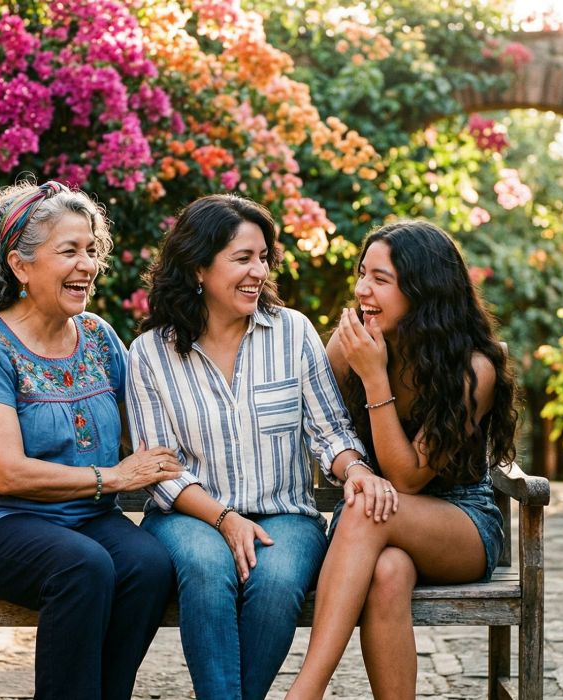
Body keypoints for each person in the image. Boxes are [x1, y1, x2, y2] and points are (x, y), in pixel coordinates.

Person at [126, 194, 395, 700]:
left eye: (263, 258)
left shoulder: (291, 332)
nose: (258, 271)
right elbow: (161, 467)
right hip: (191, 516)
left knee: (274, 583)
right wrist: (226, 519)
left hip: (286, 516)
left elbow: (329, 430)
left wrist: (354, 468)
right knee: (207, 570)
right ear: (199, 267)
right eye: (242, 258)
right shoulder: (149, 353)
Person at [0, 180, 182, 700]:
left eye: (91, 249)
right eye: (68, 250)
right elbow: (6, 472)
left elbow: (151, 414)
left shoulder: (97, 335)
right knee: (83, 566)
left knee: (149, 564)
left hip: (83, 519)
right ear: (20, 266)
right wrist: (113, 477)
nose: (87, 264)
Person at [285, 220, 519, 700]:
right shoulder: (351, 345)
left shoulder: (473, 368)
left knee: (367, 506)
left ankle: (304, 693)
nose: (361, 289)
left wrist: (375, 379)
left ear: (422, 291)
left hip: (460, 525)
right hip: (380, 527)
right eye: (361, 273)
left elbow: (406, 479)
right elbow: (314, 422)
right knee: (387, 571)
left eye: (380, 279)